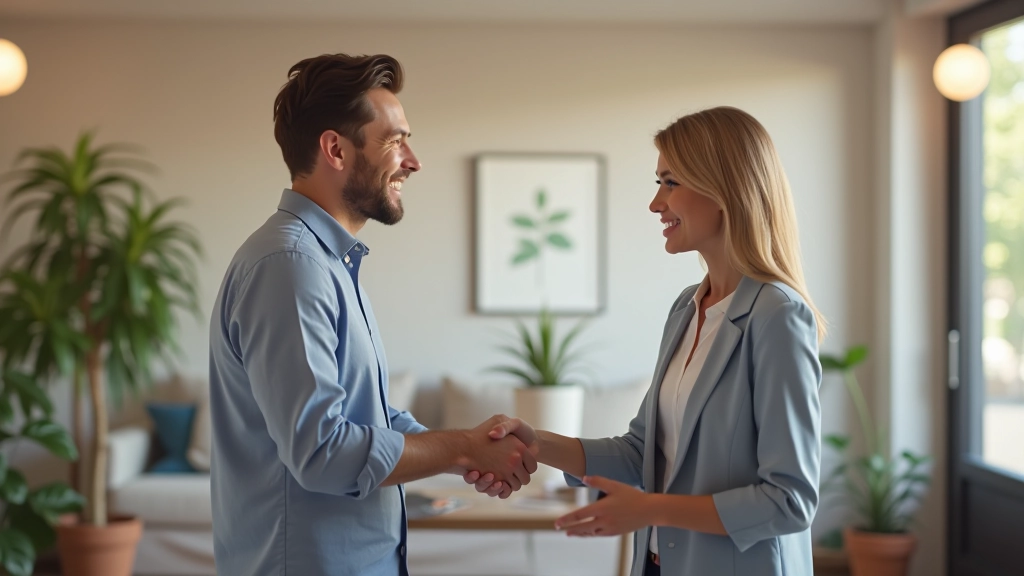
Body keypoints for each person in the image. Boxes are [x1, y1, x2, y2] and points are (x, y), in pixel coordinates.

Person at [208, 53, 536, 576]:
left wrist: (470, 449)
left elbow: (369, 419)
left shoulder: (323, 261)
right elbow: (322, 452)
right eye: (394, 140)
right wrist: (459, 448)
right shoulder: (290, 265)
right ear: (335, 149)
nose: (413, 160)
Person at [477, 107, 825, 576]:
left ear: (722, 189)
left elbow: (789, 500)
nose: (655, 204)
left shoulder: (777, 315)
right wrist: (535, 442)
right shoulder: (687, 308)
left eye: (669, 183)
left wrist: (653, 509)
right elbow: (641, 452)